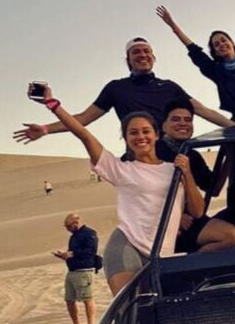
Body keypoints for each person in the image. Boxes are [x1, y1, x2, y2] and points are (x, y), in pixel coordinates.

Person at [27, 85, 205, 296]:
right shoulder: (120, 169)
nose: (141, 136)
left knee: (155, 312)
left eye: (146, 131)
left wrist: (187, 173)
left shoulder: (174, 170)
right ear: (126, 138)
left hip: (162, 251)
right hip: (127, 245)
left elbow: (197, 211)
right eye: (133, 132)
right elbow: (84, 134)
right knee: (130, 308)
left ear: (157, 134)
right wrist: (53, 105)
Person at [13, 37, 233, 147]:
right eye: (136, 52)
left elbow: (203, 111)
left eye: (147, 51)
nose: (142, 55)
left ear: (153, 58)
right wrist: (44, 129)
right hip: (139, 157)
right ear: (128, 60)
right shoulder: (116, 88)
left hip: (175, 155)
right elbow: (83, 119)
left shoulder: (169, 87)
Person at [157, 99, 235, 253]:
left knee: (233, 235)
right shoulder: (154, 152)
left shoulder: (192, 154)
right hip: (159, 221)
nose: (183, 123)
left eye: (188, 120)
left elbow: (213, 188)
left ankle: (194, 264)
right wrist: (174, 216)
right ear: (163, 125)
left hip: (191, 219)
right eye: (176, 119)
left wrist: (230, 156)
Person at [156, 9, 235, 121]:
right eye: (217, 44)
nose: (221, 44)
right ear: (215, 51)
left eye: (224, 40)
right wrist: (173, 26)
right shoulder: (216, 70)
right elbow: (195, 51)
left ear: (232, 43)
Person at [53, 213, 98, 324]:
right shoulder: (73, 237)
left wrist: (72, 254)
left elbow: (91, 251)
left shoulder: (89, 233)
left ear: (76, 223)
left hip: (84, 271)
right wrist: (64, 255)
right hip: (72, 271)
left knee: (87, 298)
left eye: (68, 226)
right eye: (66, 227)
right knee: (69, 300)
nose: (67, 229)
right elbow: (73, 253)